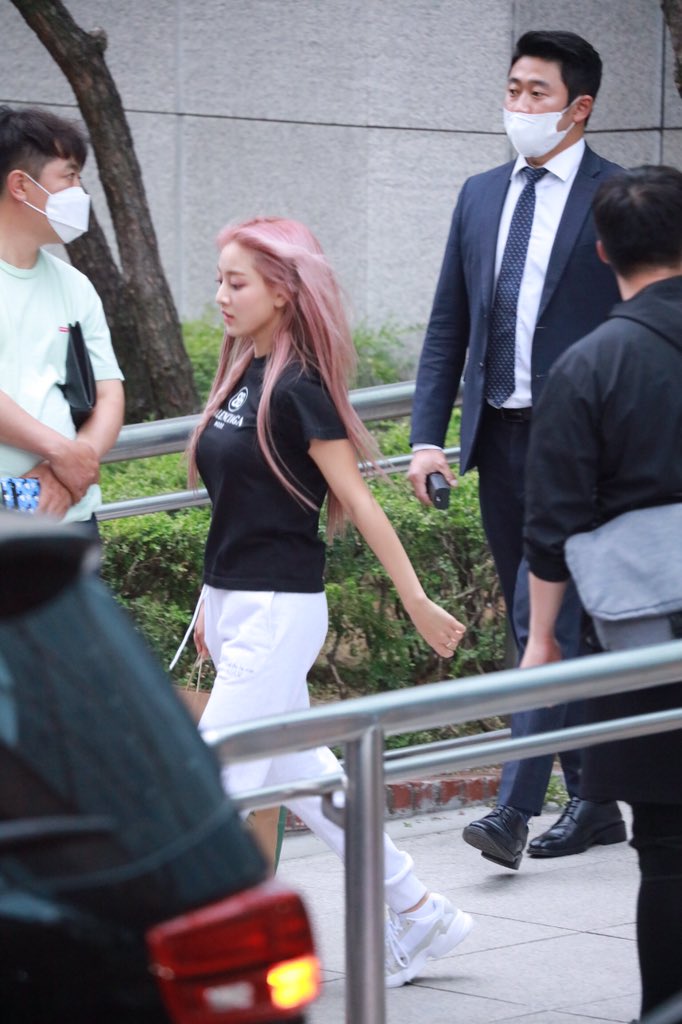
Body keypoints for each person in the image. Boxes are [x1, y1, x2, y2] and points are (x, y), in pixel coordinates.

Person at [185, 216, 473, 989]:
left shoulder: (300, 389)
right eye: (219, 281)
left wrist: (415, 599)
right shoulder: (244, 371)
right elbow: (236, 508)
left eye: (237, 282)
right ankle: (418, 910)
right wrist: (212, 600)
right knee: (313, 783)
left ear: (282, 291)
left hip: (278, 613)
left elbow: (360, 502)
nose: (221, 296)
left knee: (212, 786)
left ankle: (218, 962)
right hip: (242, 606)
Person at [407, 30, 626, 870]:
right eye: (513, 88)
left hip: (582, 448)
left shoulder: (618, 197)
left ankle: (513, 809)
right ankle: (596, 801)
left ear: (579, 108)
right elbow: (447, 327)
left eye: (538, 93)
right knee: (549, 622)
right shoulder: (479, 194)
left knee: (548, 621)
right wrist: (427, 438)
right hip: (496, 438)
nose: (519, 105)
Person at [521, 164, 682, 1023]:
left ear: (601, 251)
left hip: (645, 630)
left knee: (667, 846)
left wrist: (542, 639)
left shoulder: (588, 365)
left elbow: (553, 523)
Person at [0, 106, 124, 527]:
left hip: (70, 512)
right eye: (69, 177)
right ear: (21, 185)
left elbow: (109, 394)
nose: (79, 191)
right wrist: (60, 451)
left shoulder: (75, 285)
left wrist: (67, 472)